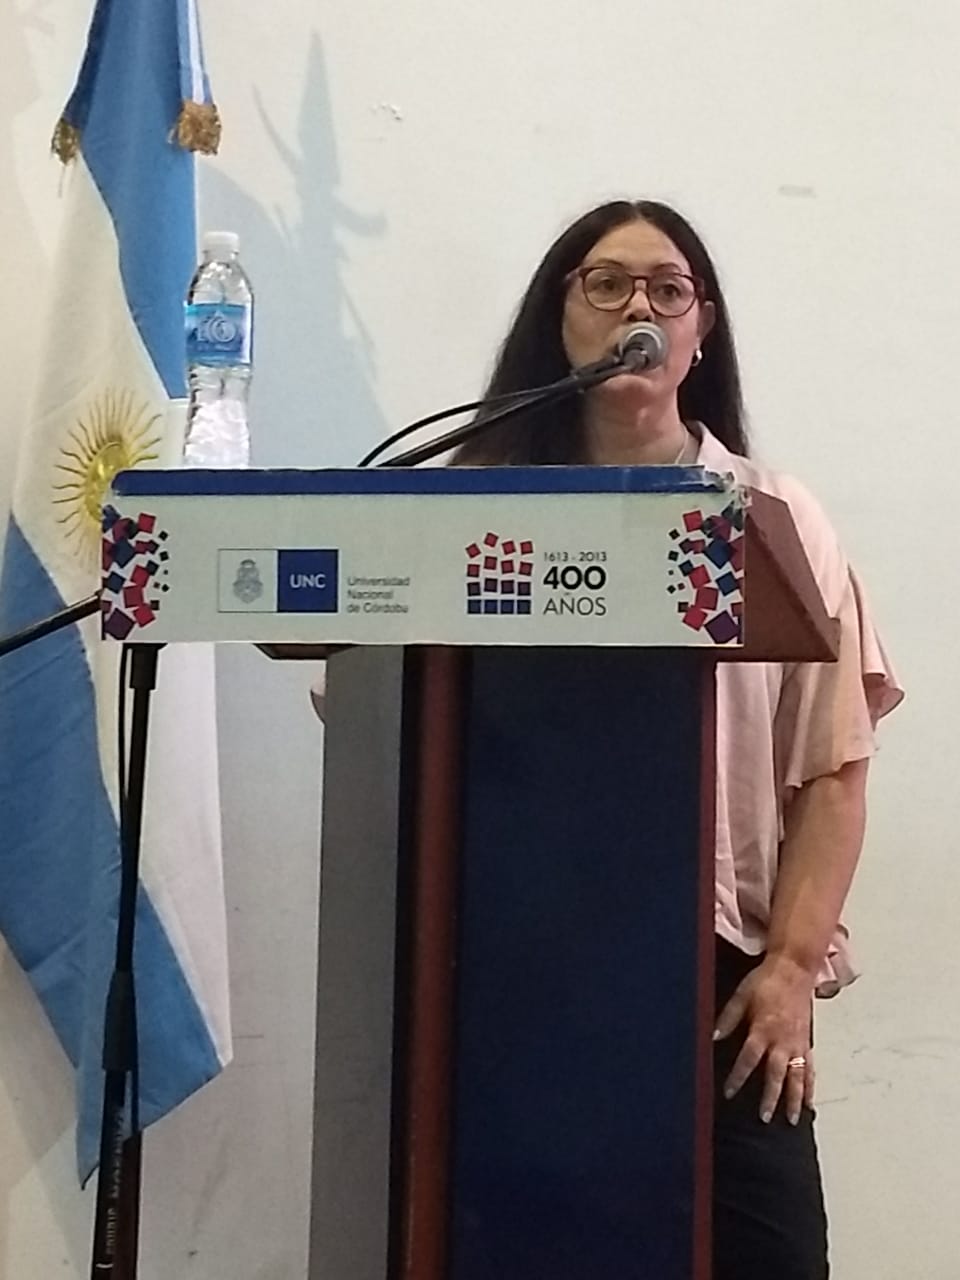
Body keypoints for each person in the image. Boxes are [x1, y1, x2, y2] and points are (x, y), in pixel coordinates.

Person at [453, 199, 903, 1280]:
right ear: (559, 316)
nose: (637, 310)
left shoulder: (772, 516)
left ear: (703, 329)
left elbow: (834, 770)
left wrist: (789, 969)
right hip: (513, 971)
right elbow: (387, 726)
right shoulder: (470, 512)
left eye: (667, 289)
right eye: (606, 285)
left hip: (719, 977)